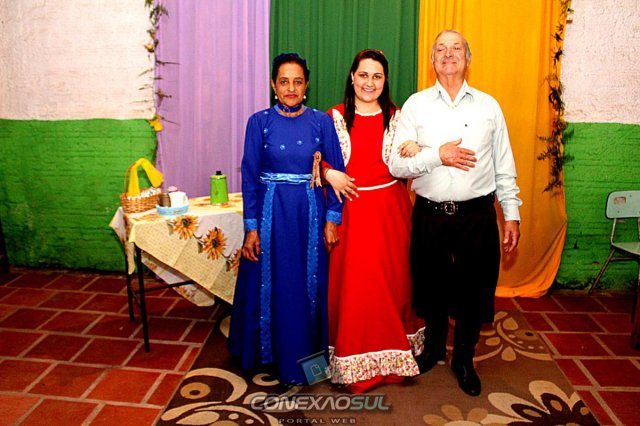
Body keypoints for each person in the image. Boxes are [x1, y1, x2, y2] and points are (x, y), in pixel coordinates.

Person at [388, 30, 522, 397]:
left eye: (456, 48)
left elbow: (504, 165)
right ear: (432, 59)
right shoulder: (415, 106)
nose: (449, 54)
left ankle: (464, 358)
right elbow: (397, 165)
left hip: (477, 216)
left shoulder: (488, 107)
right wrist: (437, 155)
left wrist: (511, 214)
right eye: (441, 49)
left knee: (474, 291)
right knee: (430, 285)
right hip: (429, 215)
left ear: (468, 58)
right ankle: (433, 349)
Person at [228, 53, 346, 388]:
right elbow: (250, 177)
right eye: (284, 81)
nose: (291, 88)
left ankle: (308, 362)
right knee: (269, 284)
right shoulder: (258, 122)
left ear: (307, 85)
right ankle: (263, 355)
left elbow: (337, 172)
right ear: (273, 85)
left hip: (309, 216)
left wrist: (332, 220)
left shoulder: (322, 122)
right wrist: (251, 228)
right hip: (271, 214)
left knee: (306, 286)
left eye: (297, 81)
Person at [322, 49, 424, 394]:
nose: (369, 82)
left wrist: (416, 147)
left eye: (377, 76)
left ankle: (394, 355)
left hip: (390, 212)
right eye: (363, 75)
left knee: (392, 283)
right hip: (350, 212)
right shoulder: (334, 117)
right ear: (352, 77)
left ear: (385, 81)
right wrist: (329, 173)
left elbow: (416, 154)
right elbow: (315, 158)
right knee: (355, 288)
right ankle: (352, 357)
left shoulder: (398, 117)